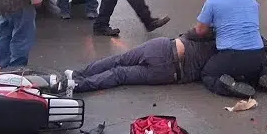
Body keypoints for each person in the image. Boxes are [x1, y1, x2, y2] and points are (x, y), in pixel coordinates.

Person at [69, 28, 217, 92]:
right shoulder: (221, 58)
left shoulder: (213, 33)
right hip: (170, 71)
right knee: (119, 73)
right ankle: (76, 84)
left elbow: (193, 32)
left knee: (118, 61)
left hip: (164, 48)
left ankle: (77, 75)